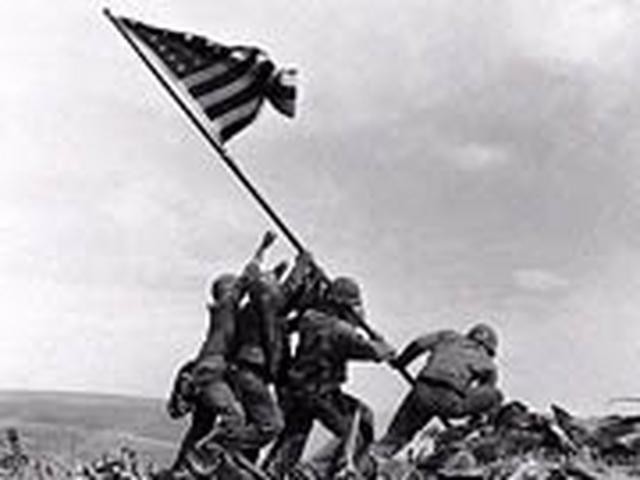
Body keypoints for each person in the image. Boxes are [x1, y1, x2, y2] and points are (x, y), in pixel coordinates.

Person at [264, 276, 394, 480]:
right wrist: (379, 340)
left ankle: (274, 471)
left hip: (297, 388)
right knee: (360, 424)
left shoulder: (309, 318)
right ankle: (314, 470)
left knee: (296, 434)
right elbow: (379, 352)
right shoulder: (341, 331)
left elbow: (291, 324)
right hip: (321, 392)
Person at [169, 232, 277, 478]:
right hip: (211, 375)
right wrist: (262, 249)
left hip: (206, 375)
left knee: (201, 425)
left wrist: (275, 274)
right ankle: (203, 457)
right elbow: (248, 277)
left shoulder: (224, 313)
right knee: (234, 417)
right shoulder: (226, 305)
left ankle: (180, 470)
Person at [371, 323, 504, 459]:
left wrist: (401, 362)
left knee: (395, 436)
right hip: (449, 400)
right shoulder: (488, 364)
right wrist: (474, 419)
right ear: (489, 349)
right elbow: (485, 393)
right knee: (496, 396)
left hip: (421, 391)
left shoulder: (448, 336)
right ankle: (484, 434)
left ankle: (375, 455)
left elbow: (418, 345)